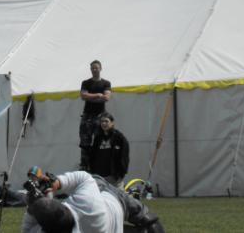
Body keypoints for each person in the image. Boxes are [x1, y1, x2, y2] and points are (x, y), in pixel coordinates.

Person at [21, 167, 163, 233]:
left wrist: (32, 206)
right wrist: (58, 183)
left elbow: (27, 229)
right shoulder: (88, 203)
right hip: (114, 199)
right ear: (64, 206)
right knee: (151, 224)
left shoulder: (42, 229)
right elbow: (83, 177)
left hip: (110, 223)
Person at [79, 61, 112, 170]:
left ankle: (99, 165)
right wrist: (98, 95)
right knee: (85, 142)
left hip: (100, 117)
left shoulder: (106, 83)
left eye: (96, 68)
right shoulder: (86, 83)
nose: (94, 70)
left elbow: (107, 97)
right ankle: (84, 166)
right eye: (92, 68)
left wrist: (91, 97)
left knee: (100, 140)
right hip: (87, 116)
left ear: (100, 68)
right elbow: (83, 96)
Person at [90, 113, 129, 185]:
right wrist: (93, 171)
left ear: (112, 123)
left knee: (115, 196)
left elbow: (124, 157)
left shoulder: (119, 138)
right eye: (102, 121)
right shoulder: (98, 138)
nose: (104, 123)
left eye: (106, 121)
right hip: (99, 176)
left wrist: (121, 174)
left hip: (114, 177)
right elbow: (92, 156)